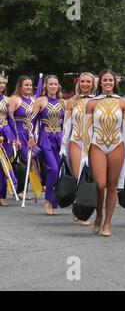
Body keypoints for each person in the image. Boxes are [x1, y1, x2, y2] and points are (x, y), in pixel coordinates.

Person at [81, 69, 125, 237]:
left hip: (117, 145)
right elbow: (87, 129)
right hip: (97, 144)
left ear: (115, 83)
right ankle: (98, 216)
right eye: (105, 80)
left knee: (112, 187)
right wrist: (84, 153)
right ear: (100, 83)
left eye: (111, 80)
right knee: (100, 184)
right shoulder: (92, 103)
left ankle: (107, 223)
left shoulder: (123, 102)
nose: (108, 83)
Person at [61, 72, 97, 225]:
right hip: (76, 140)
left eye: (88, 81)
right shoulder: (71, 102)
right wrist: (63, 144)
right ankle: (78, 208)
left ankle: (87, 209)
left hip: (94, 142)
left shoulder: (99, 101)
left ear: (93, 84)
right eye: (83, 81)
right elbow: (67, 125)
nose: (85, 84)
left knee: (91, 177)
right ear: (79, 83)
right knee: (78, 177)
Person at [28, 75, 65, 216]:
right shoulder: (40, 101)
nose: (54, 86)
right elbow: (31, 121)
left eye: (56, 84)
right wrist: (31, 138)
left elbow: (66, 123)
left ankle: (54, 201)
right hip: (45, 139)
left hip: (59, 140)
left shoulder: (63, 102)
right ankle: (49, 200)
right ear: (46, 86)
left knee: (57, 171)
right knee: (53, 169)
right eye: (51, 84)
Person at [10, 76, 39, 201]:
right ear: (20, 86)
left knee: (29, 161)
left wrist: (36, 134)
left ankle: (22, 188)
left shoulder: (34, 99)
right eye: (26, 85)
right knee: (22, 161)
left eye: (30, 85)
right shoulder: (15, 99)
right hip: (19, 133)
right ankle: (19, 189)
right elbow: (9, 118)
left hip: (31, 134)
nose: (29, 87)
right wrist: (15, 137)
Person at [0, 75, 20, 206]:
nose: (1, 85)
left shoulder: (8, 100)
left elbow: (11, 120)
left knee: (3, 166)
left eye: (3, 83)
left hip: (5, 135)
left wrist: (16, 137)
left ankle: (2, 195)